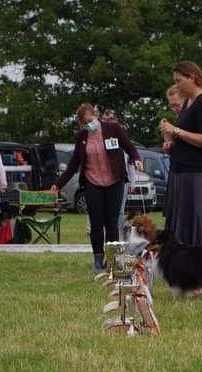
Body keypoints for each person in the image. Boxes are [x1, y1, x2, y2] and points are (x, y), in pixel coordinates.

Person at [51, 103, 142, 271]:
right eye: (85, 123)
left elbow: (129, 146)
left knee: (112, 221)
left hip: (115, 180)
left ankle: (112, 258)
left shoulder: (113, 129)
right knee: (96, 222)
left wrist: (137, 159)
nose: (89, 125)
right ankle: (98, 259)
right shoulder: (82, 137)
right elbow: (73, 164)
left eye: (90, 120)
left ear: (96, 115)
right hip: (92, 182)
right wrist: (58, 184)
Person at [158, 62, 202, 251]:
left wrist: (175, 129)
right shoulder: (186, 102)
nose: (177, 85)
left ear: (192, 78)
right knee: (181, 222)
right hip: (180, 171)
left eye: (179, 80)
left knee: (198, 222)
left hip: (197, 173)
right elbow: (186, 136)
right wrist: (171, 142)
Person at [101, 110, 139, 233]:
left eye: (112, 119)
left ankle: (118, 234)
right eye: (107, 120)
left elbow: (130, 162)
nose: (110, 122)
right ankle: (107, 232)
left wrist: (133, 182)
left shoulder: (123, 137)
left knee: (120, 210)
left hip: (122, 179)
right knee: (106, 209)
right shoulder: (99, 137)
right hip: (105, 179)